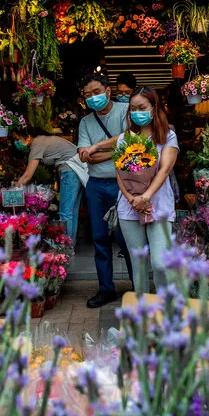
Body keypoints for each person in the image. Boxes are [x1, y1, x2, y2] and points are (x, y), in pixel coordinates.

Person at [77, 73, 134, 308]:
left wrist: (98, 150)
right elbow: (84, 156)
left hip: (124, 184)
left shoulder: (125, 111)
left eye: (97, 92)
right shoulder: (85, 122)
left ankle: (137, 288)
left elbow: (133, 142)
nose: (93, 98)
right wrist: (119, 150)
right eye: (88, 95)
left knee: (128, 238)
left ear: (108, 91)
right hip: (97, 187)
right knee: (100, 238)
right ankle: (105, 289)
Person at [116, 86, 179, 294]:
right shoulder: (124, 139)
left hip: (159, 205)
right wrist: (132, 198)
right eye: (133, 108)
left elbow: (164, 170)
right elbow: (119, 172)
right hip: (129, 208)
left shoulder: (168, 136)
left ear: (154, 107)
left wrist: (145, 197)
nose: (137, 112)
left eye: (142, 107)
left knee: (161, 263)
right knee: (138, 264)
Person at [13, 130, 88, 247]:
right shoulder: (43, 139)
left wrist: (13, 190)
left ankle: (64, 247)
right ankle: (69, 245)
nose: (16, 142)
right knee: (72, 211)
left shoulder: (37, 143)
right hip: (75, 171)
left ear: (28, 137)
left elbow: (28, 175)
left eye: (18, 139)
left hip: (70, 172)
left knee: (66, 212)